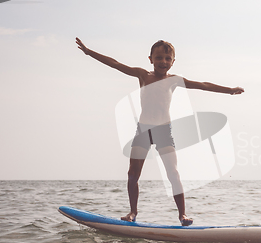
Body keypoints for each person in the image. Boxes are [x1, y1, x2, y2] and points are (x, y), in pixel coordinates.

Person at [76, 37, 244, 225]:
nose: (163, 62)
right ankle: (132, 212)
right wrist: (89, 52)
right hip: (143, 131)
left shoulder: (174, 81)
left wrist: (229, 90)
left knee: (173, 174)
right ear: (150, 59)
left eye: (167, 58)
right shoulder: (143, 75)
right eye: (158, 58)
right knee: (133, 174)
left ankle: (182, 215)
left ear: (173, 61)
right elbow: (115, 64)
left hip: (164, 132)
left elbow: (203, 85)